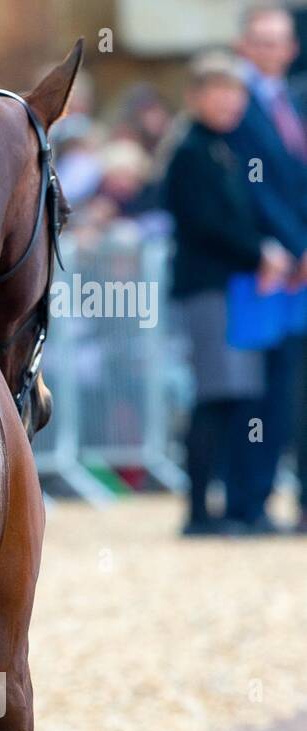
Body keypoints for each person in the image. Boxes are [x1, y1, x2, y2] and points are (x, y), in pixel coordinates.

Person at [162, 51, 294, 535]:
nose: (228, 102)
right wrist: (258, 255)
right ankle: (198, 510)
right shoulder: (193, 151)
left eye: (235, 92)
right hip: (208, 287)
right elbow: (209, 224)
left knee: (232, 394)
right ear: (196, 97)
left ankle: (224, 504)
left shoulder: (223, 148)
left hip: (230, 287)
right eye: (218, 92)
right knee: (216, 396)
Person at [226, 3, 307, 530]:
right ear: (243, 46)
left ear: (292, 48)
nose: (269, 49)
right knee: (260, 390)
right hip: (266, 269)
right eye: (260, 39)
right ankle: (250, 501)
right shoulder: (232, 105)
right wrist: (294, 247)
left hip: (299, 269)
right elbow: (250, 188)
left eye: (278, 40)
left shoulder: (297, 102)